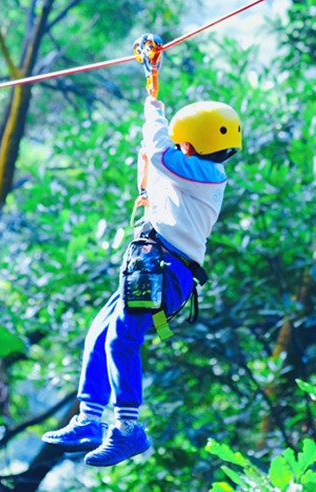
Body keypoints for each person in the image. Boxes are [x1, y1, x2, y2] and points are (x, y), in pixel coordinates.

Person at [41, 91, 242, 466]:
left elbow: (161, 151)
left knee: (122, 339)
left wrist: (154, 109)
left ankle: (128, 429)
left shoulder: (201, 173)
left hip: (165, 273)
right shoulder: (194, 173)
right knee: (100, 333)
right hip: (151, 265)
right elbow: (153, 162)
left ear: (190, 143)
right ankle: (88, 419)